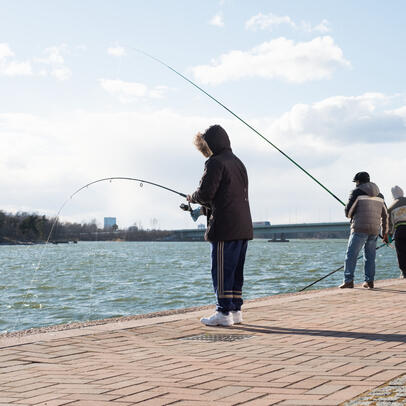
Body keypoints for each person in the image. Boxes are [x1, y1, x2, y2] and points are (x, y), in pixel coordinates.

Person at [187, 124, 253, 326]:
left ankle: (223, 313)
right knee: (235, 272)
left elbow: (206, 193)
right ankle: (235, 310)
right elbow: (227, 196)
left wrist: (193, 197)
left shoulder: (215, 163)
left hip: (225, 226)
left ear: (211, 143)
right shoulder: (238, 162)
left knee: (222, 271)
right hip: (243, 226)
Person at [340, 172, 388, 289]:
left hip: (359, 228)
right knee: (370, 256)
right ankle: (369, 281)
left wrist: (351, 214)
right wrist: (385, 232)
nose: (356, 184)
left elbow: (348, 212)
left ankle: (348, 281)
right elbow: (386, 214)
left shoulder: (356, 192)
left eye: (356, 182)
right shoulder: (380, 195)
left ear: (359, 181)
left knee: (351, 255)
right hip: (375, 230)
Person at [388, 186, 406, 278]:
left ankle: (404, 273)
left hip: (400, 231)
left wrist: (389, 236)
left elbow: (390, 224)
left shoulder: (391, 207)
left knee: (401, 252)